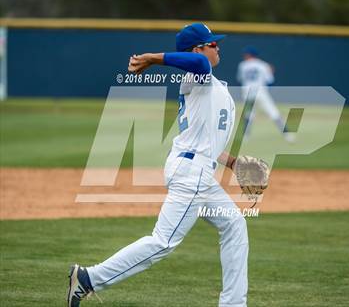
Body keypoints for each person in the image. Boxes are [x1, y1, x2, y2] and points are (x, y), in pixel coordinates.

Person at [67, 23, 249, 307]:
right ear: (197, 49)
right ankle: (89, 278)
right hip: (192, 175)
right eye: (212, 43)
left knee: (235, 224)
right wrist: (153, 57)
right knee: (162, 242)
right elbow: (199, 62)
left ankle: (234, 304)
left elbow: (203, 139)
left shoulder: (211, 86)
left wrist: (233, 162)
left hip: (198, 170)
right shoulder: (197, 75)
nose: (218, 46)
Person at [237, 46, 295, 142]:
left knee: (248, 114)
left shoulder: (242, 65)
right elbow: (270, 80)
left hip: (247, 92)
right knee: (273, 112)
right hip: (260, 92)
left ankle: (245, 137)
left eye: (246, 54)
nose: (244, 55)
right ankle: (287, 134)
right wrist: (271, 71)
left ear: (249, 55)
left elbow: (240, 79)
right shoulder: (263, 65)